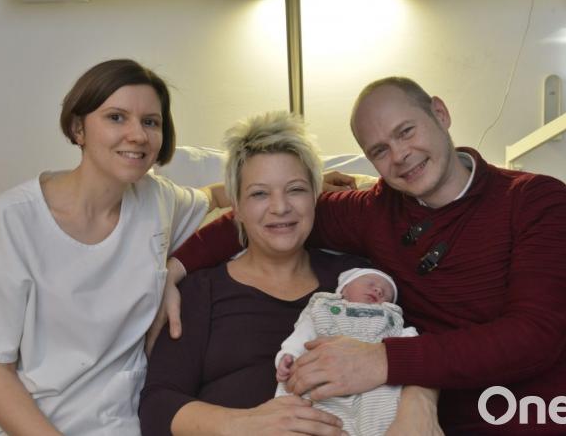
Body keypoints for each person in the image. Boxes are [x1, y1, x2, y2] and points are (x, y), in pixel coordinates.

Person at [166, 77, 566, 434]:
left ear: (440, 113)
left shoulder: (534, 200)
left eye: (406, 131)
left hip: (546, 411)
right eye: (379, 150)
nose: (400, 156)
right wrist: (173, 270)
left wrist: (384, 361)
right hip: (439, 418)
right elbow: (268, 216)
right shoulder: (372, 211)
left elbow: (534, 336)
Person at [0, 59, 230, 435]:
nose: (138, 135)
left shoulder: (158, 199)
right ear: (79, 128)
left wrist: (176, 269)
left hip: (113, 422)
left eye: (150, 122)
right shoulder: (13, 220)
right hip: (14, 425)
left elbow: (221, 195)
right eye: (116, 118)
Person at [139, 111, 443, 436]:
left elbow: (423, 345)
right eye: (259, 193)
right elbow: (158, 406)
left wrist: (419, 401)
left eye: (295, 189)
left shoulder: (360, 280)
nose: (280, 207)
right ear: (237, 208)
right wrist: (245, 424)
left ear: (316, 196)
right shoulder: (201, 291)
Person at [275, 267, 418, 436]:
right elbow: (302, 336)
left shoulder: (389, 319)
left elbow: (411, 346)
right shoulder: (323, 309)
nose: (378, 290)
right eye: (370, 283)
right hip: (323, 382)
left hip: (374, 389)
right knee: (309, 416)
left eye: (386, 293)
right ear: (344, 288)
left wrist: (411, 340)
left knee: (383, 419)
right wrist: (289, 355)